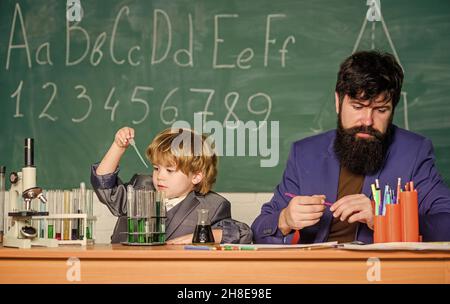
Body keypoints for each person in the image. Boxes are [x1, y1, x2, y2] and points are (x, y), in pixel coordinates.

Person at [251, 50, 450, 244]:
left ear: (392, 109)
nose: (367, 120)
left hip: (382, 273)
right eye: (357, 107)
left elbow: (446, 223)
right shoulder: (303, 153)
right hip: (316, 273)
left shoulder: (414, 152)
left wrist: (385, 218)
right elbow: (259, 231)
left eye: (381, 110)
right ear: (338, 102)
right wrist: (285, 219)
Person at [91, 127, 252, 244]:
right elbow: (104, 186)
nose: (160, 176)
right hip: (124, 273)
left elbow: (243, 233)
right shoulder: (141, 188)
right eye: (156, 168)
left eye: (170, 170)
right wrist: (118, 147)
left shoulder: (213, 205)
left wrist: (199, 235)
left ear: (196, 176)